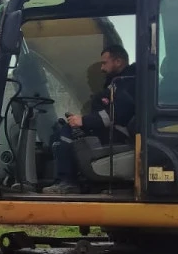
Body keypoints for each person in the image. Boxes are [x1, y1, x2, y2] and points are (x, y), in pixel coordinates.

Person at [42, 44, 137, 194]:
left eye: (105, 63)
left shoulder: (127, 82)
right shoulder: (119, 82)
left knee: (67, 132)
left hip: (121, 133)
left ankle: (67, 182)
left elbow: (118, 113)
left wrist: (84, 121)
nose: (102, 69)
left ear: (118, 62)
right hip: (113, 129)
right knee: (60, 131)